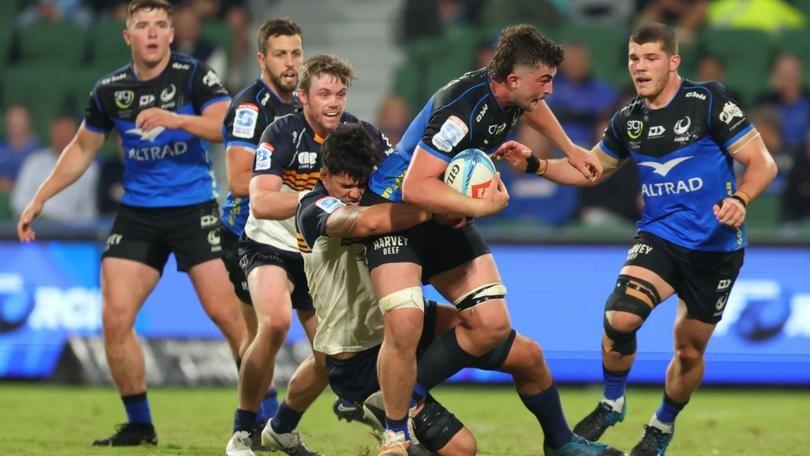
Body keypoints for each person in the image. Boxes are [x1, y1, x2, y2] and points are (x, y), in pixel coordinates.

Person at [497, 22, 777, 455]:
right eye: (633, 58)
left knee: (688, 351)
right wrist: (537, 164)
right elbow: (589, 169)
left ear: (673, 61)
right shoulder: (628, 120)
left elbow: (762, 163)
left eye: (650, 58)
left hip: (715, 247)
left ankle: (662, 425)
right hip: (660, 236)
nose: (640, 67)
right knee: (620, 316)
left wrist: (741, 199)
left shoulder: (707, 103)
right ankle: (612, 402)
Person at [296, 123, 624, 456]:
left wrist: (453, 203)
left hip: (411, 326)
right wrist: (444, 206)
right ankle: (391, 415)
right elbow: (365, 222)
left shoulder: (384, 198)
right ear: (324, 175)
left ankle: (561, 443)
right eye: (346, 186)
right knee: (462, 450)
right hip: (359, 358)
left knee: (528, 355)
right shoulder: (313, 209)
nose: (354, 194)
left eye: (360, 185)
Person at [364, 23, 608, 455]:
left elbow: (533, 109)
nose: (550, 90)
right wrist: (478, 208)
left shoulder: (512, 96)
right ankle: (395, 431)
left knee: (493, 325)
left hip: (444, 213)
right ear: (512, 79)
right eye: (544, 80)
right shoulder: (460, 111)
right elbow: (415, 186)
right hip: (396, 215)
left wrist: (569, 149)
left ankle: (408, 396)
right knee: (404, 324)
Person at [16, 0, 246, 447]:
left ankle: (265, 418)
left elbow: (226, 125)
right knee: (115, 317)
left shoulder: (192, 75)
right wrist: (40, 198)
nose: (153, 32)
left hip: (194, 208)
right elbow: (82, 149)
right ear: (128, 37)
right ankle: (139, 425)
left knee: (229, 317)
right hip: (138, 214)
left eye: (161, 24)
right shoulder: (110, 90)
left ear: (172, 34)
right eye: (143, 25)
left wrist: (175, 119)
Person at [226, 53, 393, 456]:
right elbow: (261, 202)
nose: (334, 103)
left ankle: (281, 429)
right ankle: (243, 432)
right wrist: (316, 198)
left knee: (328, 356)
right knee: (275, 323)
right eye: (324, 94)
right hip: (270, 245)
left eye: (340, 93)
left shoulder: (359, 136)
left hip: (318, 258)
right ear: (302, 96)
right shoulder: (281, 133)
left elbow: (395, 177)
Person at [219, 16, 302, 447]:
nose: (290, 63)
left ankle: (268, 425)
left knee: (274, 334)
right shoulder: (251, 108)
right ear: (261, 59)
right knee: (263, 333)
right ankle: (255, 424)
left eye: (296, 54)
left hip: (289, 233)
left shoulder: (303, 104)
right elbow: (238, 181)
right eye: (280, 54)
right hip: (245, 235)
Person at [12, 115, 98, 222]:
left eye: (65, 133)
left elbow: (89, 212)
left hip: (70, 228)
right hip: (36, 224)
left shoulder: (89, 169)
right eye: (57, 133)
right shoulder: (34, 162)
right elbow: (19, 201)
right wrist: (43, 216)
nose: (61, 137)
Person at [0, 105, 40, 194]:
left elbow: (37, 184)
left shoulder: (38, 153)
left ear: (29, 121)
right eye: (13, 118)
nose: (16, 122)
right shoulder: (1, 146)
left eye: (20, 118)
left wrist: (12, 186)